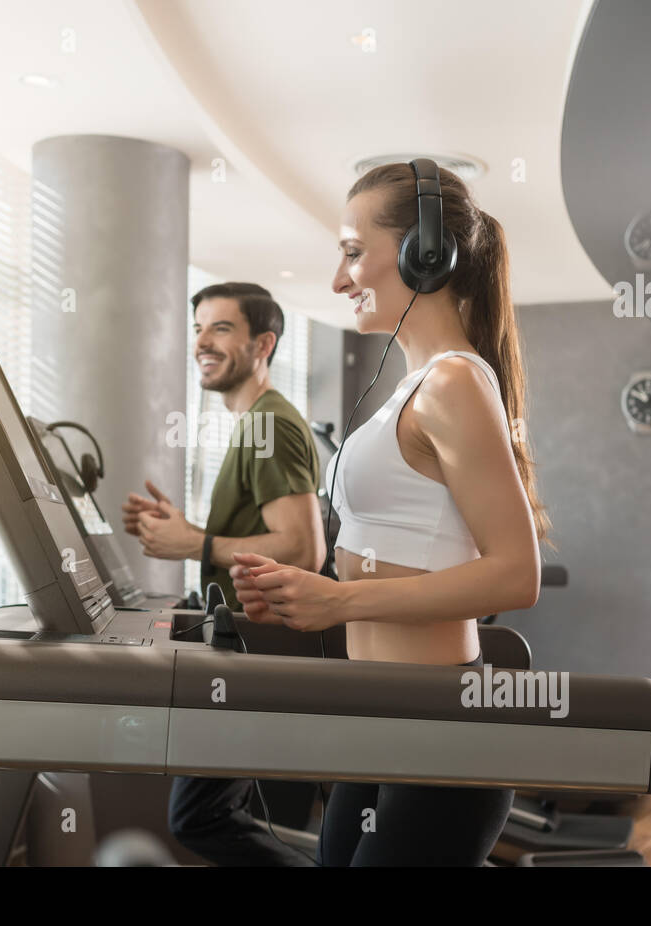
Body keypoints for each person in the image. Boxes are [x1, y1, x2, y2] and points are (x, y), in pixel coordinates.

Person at [229, 162, 553, 866]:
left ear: (425, 254)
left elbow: (515, 574)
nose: (340, 279)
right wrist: (298, 594)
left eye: (352, 252)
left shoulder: (454, 382)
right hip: (382, 720)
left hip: (436, 729)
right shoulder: (416, 384)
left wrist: (340, 599)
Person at [121, 281, 326, 866]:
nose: (202, 343)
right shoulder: (255, 423)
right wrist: (185, 530)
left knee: (200, 816)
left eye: (221, 329)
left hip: (257, 645)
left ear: (264, 343)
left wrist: (196, 542)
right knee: (205, 815)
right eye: (197, 329)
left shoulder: (271, 425)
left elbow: (302, 550)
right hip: (237, 643)